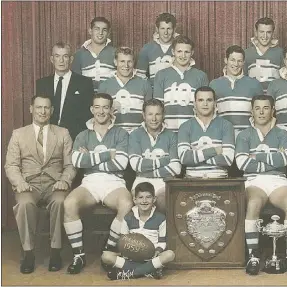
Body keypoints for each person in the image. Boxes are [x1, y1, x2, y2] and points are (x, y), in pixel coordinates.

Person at [4, 95, 76, 274]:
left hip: (55, 184)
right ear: (31, 109)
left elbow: (70, 165)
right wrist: (19, 183)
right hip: (29, 185)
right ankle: (28, 253)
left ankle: (55, 252)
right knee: (24, 204)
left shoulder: (63, 133)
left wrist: (64, 180)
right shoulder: (18, 134)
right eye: (39, 107)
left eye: (46, 108)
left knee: (60, 202)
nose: (42, 112)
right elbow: (11, 165)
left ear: (51, 111)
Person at [63, 93, 133, 274]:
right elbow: (77, 161)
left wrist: (90, 157)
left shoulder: (121, 133)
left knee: (126, 204)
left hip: (114, 181)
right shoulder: (83, 134)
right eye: (97, 107)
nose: (101, 111)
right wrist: (106, 155)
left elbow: (121, 163)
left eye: (105, 107)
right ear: (91, 109)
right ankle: (78, 255)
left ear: (111, 110)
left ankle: (108, 250)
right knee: (70, 203)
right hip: (90, 181)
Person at [235, 94, 287, 276]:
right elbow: (241, 163)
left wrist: (257, 156)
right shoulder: (244, 134)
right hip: (253, 179)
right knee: (254, 203)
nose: (262, 112)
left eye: (266, 108)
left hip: (278, 180)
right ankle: (253, 255)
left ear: (273, 110)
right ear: (252, 111)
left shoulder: (282, 133)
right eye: (257, 108)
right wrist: (275, 158)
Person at [101, 182, 175, 280]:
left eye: (148, 197)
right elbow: (123, 240)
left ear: (154, 199)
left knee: (170, 254)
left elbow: (162, 242)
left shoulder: (160, 218)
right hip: (131, 256)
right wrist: (127, 252)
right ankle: (149, 270)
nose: (144, 201)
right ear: (135, 200)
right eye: (140, 197)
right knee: (106, 256)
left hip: (151, 257)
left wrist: (157, 251)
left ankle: (130, 273)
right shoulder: (128, 218)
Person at [128, 99, 181, 213]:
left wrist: (146, 168)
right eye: (150, 114)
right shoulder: (135, 135)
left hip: (165, 182)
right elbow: (136, 165)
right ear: (143, 115)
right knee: (141, 204)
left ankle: (162, 231)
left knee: (163, 202)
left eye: (158, 114)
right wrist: (164, 161)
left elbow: (176, 168)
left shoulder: (171, 136)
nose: (154, 118)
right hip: (141, 180)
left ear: (163, 115)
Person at [36, 42, 94, 141]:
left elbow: (88, 115)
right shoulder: (42, 84)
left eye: (65, 56)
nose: (61, 60)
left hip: (75, 138)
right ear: (52, 59)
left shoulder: (84, 83)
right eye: (57, 56)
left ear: (71, 59)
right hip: (48, 138)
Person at [153, 35, 209, 133]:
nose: (183, 56)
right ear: (173, 51)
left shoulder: (201, 76)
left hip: (193, 131)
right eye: (179, 51)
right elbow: (157, 107)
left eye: (186, 52)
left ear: (192, 53)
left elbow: (204, 108)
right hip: (167, 131)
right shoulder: (161, 75)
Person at [177, 86, 235, 178]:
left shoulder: (226, 125)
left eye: (209, 100)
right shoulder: (185, 127)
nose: (205, 104)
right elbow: (184, 158)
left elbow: (228, 159)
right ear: (195, 104)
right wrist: (215, 150)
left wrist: (196, 157)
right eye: (200, 100)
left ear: (215, 103)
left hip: (220, 180)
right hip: (191, 181)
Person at [209, 45, 263, 138]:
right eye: (232, 60)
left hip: (248, 137)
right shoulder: (214, 84)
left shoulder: (255, 84)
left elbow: (261, 114)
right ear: (226, 60)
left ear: (243, 62)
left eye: (239, 61)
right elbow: (210, 114)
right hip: (223, 136)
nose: (236, 64)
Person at [98, 47, 153, 134]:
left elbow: (150, 113)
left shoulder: (145, 84)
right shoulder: (105, 86)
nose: (126, 65)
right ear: (115, 62)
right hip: (113, 135)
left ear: (134, 62)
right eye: (122, 61)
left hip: (138, 136)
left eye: (129, 61)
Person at [71, 16, 116, 93]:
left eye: (104, 30)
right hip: (87, 98)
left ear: (108, 33)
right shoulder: (79, 54)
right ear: (90, 31)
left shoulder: (115, 52)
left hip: (109, 98)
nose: (100, 33)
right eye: (97, 29)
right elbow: (75, 81)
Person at [244, 17, 284, 94]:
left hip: (273, 99)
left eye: (268, 32)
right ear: (256, 32)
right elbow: (242, 80)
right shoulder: (246, 53)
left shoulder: (281, 53)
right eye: (261, 32)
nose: (265, 36)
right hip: (253, 98)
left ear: (273, 33)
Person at [136, 12, 178, 86]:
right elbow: (140, 77)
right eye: (162, 28)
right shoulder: (147, 48)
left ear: (174, 29)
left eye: (169, 28)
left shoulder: (180, 48)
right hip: (154, 94)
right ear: (157, 29)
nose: (166, 32)